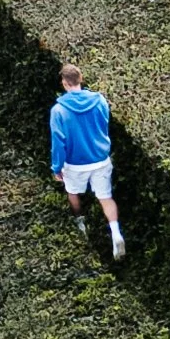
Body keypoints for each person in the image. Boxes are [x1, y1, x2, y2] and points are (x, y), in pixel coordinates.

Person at [50, 61, 126, 261]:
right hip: (100, 158)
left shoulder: (58, 111)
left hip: (75, 163)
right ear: (80, 79)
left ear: (64, 83)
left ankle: (80, 224)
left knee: (73, 193)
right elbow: (104, 124)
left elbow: (59, 142)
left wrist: (56, 167)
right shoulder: (100, 100)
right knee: (105, 197)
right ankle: (116, 233)